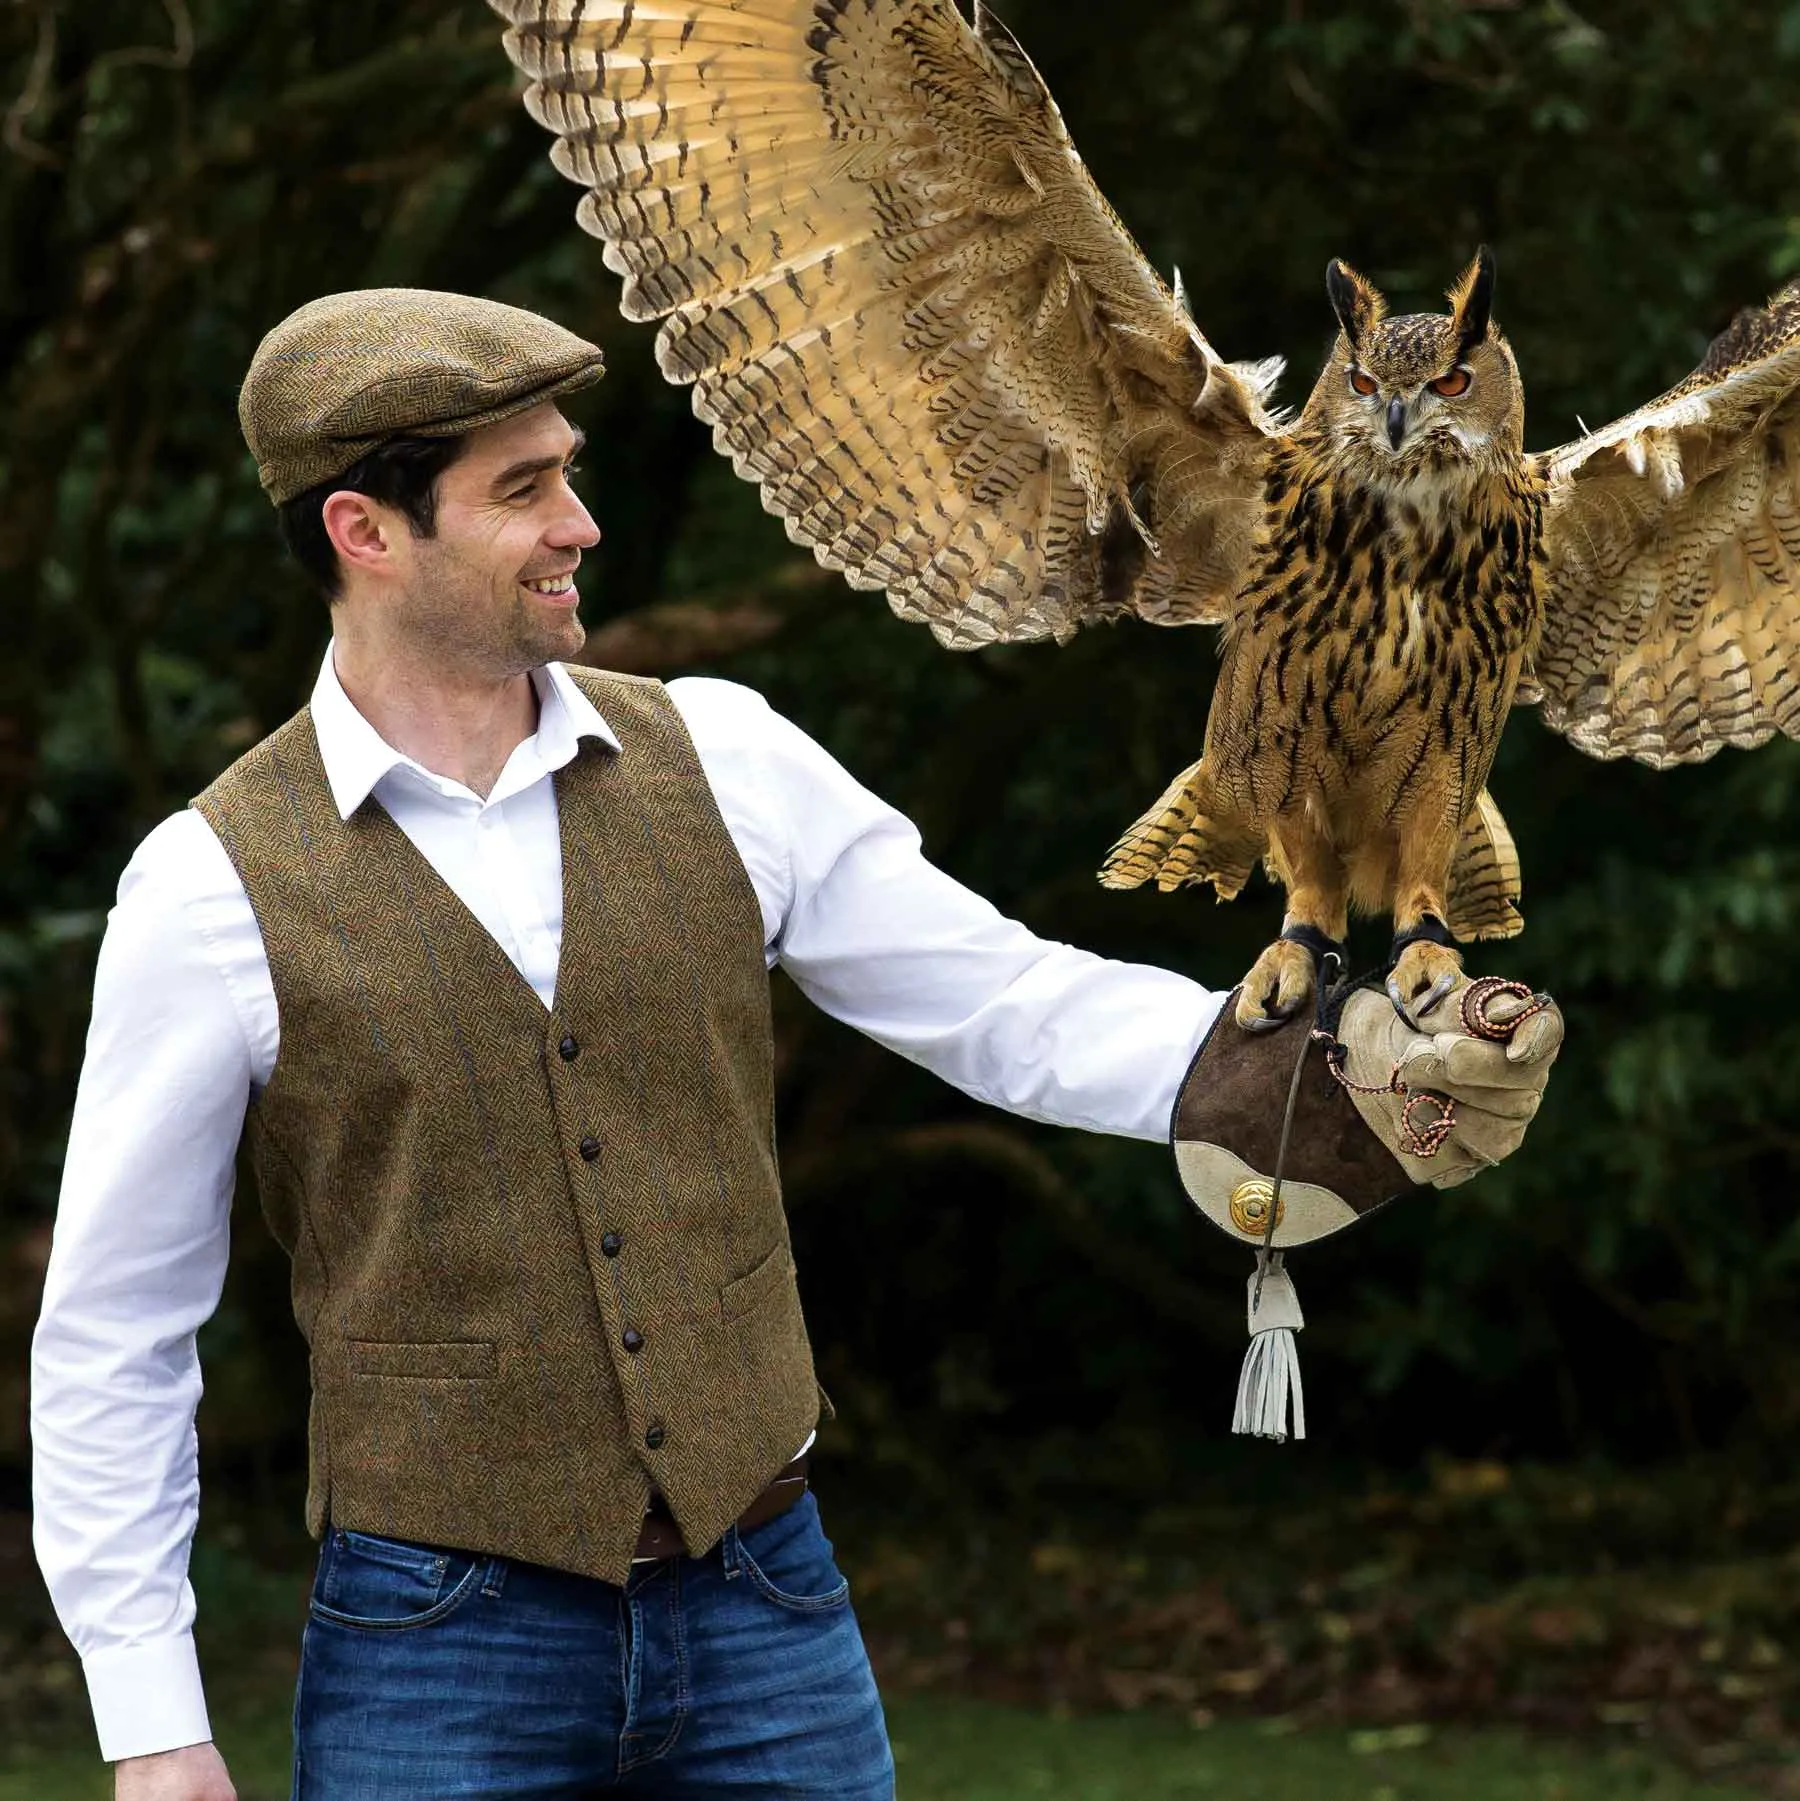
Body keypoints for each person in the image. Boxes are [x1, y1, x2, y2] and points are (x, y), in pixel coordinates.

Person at [31, 290, 1561, 1801]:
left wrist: (1295, 1076)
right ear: (367, 532)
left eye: (568, 469)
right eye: (524, 490)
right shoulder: (211, 883)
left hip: (763, 1603)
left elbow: (996, 999)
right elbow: (117, 1331)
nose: (583, 523)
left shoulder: (724, 757)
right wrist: (152, 1723)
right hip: (439, 1646)